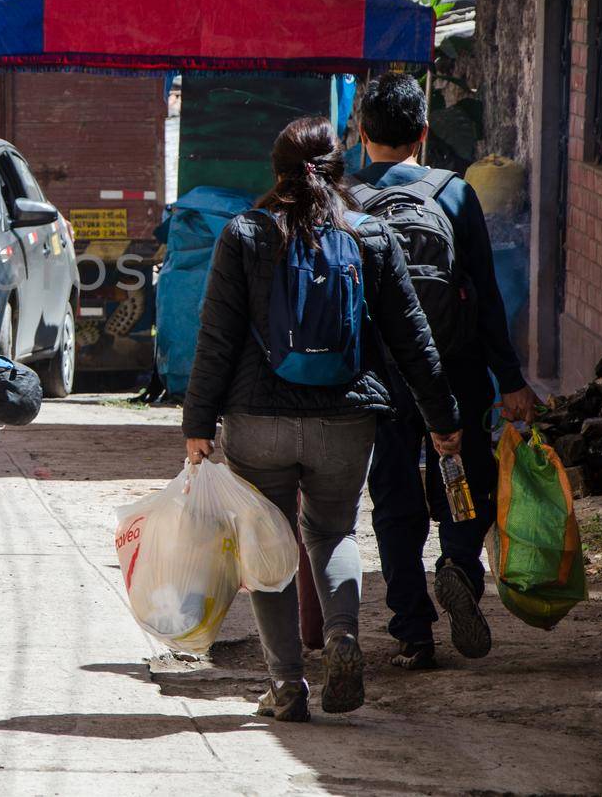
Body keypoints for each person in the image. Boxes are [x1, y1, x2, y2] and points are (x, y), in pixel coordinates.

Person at [183, 115, 461, 722]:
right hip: (346, 418)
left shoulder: (245, 234)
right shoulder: (372, 236)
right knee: (332, 532)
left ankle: (286, 685)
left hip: (258, 418)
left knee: (269, 544)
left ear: (276, 170)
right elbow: (413, 341)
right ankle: (342, 638)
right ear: (338, 167)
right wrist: (442, 419)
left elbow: (216, 338)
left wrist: (197, 423)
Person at [349, 72, 537, 670]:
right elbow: (483, 292)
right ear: (424, 134)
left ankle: (412, 629)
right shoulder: (453, 193)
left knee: (395, 496)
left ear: (361, 133)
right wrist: (508, 380)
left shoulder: (344, 200)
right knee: (462, 475)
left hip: (380, 378)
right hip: (452, 369)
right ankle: (458, 562)